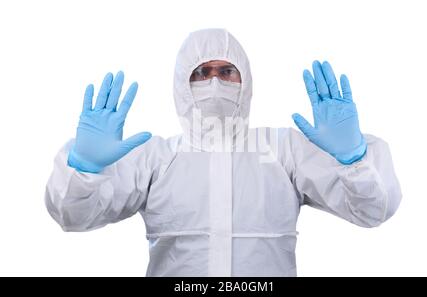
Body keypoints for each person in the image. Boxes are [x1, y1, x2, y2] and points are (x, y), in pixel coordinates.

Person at [45, 28, 402, 276]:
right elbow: (73, 218)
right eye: (201, 72)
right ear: (181, 84)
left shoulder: (282, 151)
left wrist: (353, 159)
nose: (214, 82)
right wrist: (85, 169)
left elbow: (371, 212)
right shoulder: (154, 158)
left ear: (245, 80)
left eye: (226, 71)